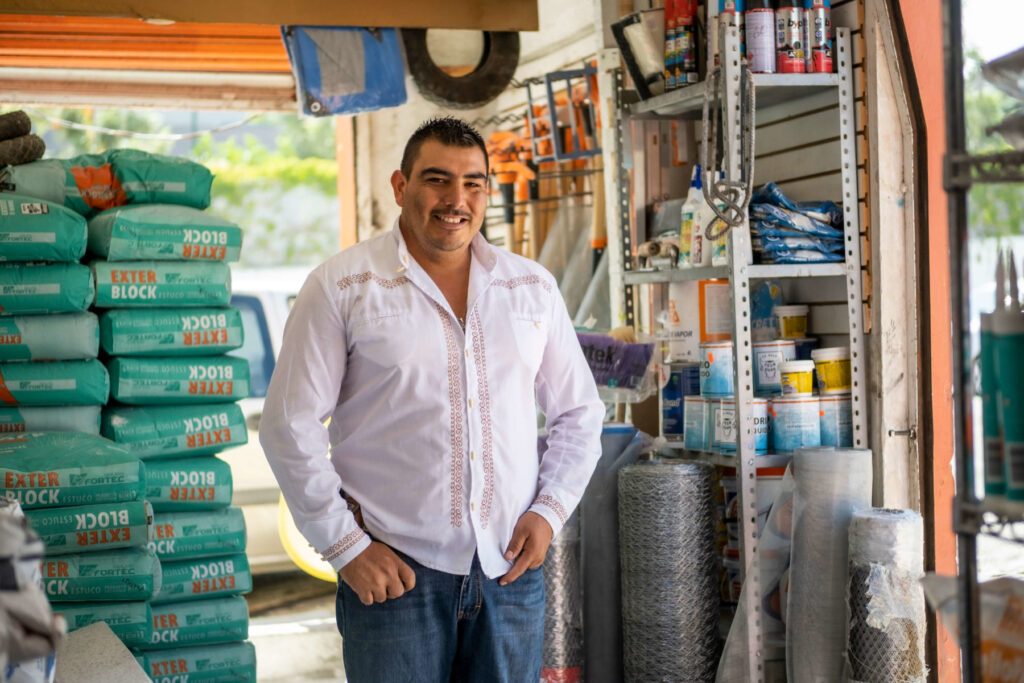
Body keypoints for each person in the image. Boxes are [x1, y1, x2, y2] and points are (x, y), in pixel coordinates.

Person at [259, 116, 604, 682]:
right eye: (438, 180)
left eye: (473, 183)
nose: (456, 200)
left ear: (488, 191)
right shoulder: (344, 287)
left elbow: (579, 413)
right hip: (395, 577)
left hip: (509, 576)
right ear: (401, 187)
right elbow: (287, 425)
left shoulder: (530, 287)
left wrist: (550, 511)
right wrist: (346, 547)